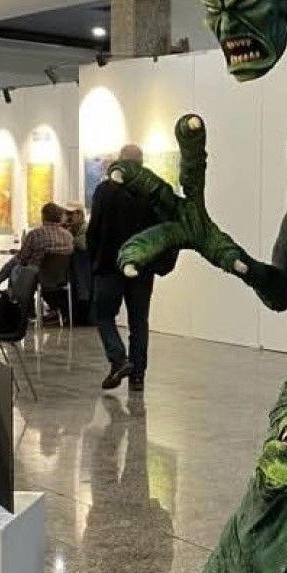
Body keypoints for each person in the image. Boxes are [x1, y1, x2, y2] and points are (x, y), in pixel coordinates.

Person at [86, 144, 173, 393]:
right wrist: (160, 263)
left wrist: (94, 260)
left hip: (110, 266)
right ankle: (137, 377)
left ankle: (118, 358)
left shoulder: (105, 190)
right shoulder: (153, 194)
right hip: (142, 267)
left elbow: (94, 229)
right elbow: (166, 232)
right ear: (142, 163)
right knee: (138, 322)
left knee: (103, 315)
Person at [0, 202, 73, 291]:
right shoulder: (68, 236)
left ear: (43, 216)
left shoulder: (35, 234)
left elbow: (22, 258)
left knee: (15, 264)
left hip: (38, 276)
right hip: (61, 277)